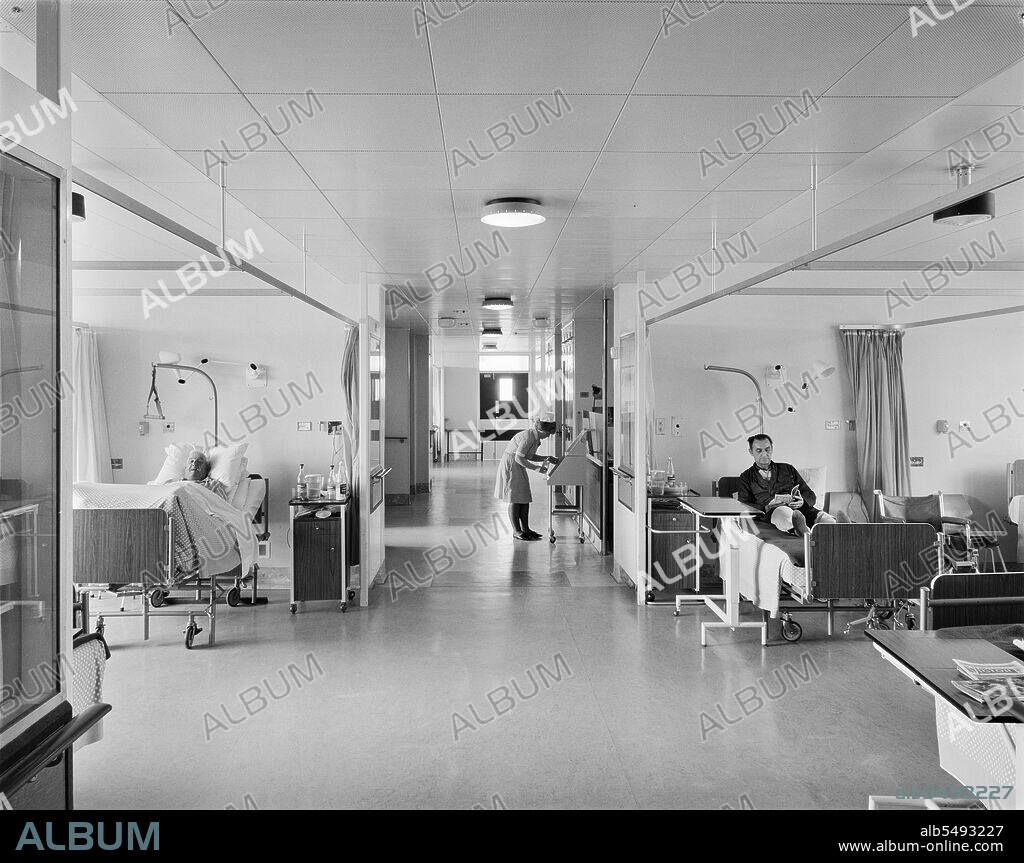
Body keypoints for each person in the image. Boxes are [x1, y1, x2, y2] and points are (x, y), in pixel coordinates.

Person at [737, 434, 835, 536]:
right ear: (751, 452)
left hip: (800, 508)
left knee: (822, 518)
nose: (764, 454)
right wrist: (765, 507)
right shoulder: (746, 477)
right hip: (774, 511)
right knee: (784, 515)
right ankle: (800, 530)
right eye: (759, 450)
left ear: (772, 449)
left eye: (767, 449)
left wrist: (802, 502)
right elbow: (744, 504)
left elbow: (809, 493)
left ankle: (836, 525)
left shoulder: (787, 469)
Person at [493, 415, 558, 541]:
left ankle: (526, 529)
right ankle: (516, 531)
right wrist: (537, 468)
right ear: (542, 431)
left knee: (524, 496)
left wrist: (547, 457)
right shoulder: (528, 437)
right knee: (515, 498)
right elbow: (519, 458)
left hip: (518, 464)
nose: (549, 436)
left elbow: (529, 455)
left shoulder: (535, 438)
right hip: (512, 464)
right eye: (549, 433)